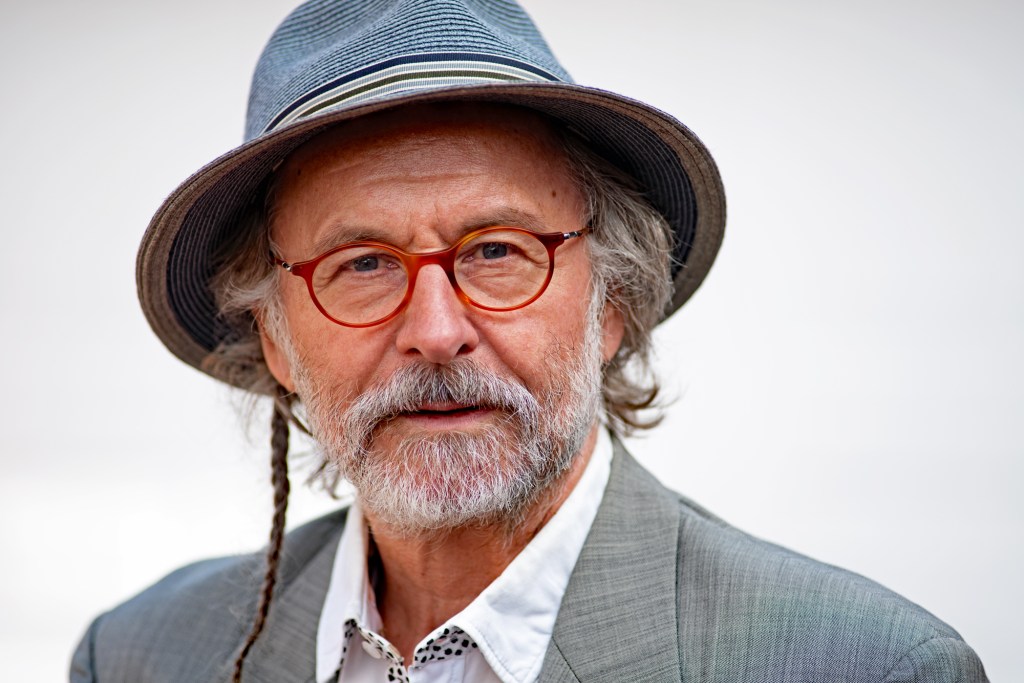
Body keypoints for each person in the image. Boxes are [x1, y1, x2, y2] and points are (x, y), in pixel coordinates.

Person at [71, 0, 988, 681]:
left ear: (613, 301)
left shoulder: (862, 664)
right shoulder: (141, 657)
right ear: (274, 338)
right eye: (364, 264)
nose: (436, 332)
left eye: (497, 251)